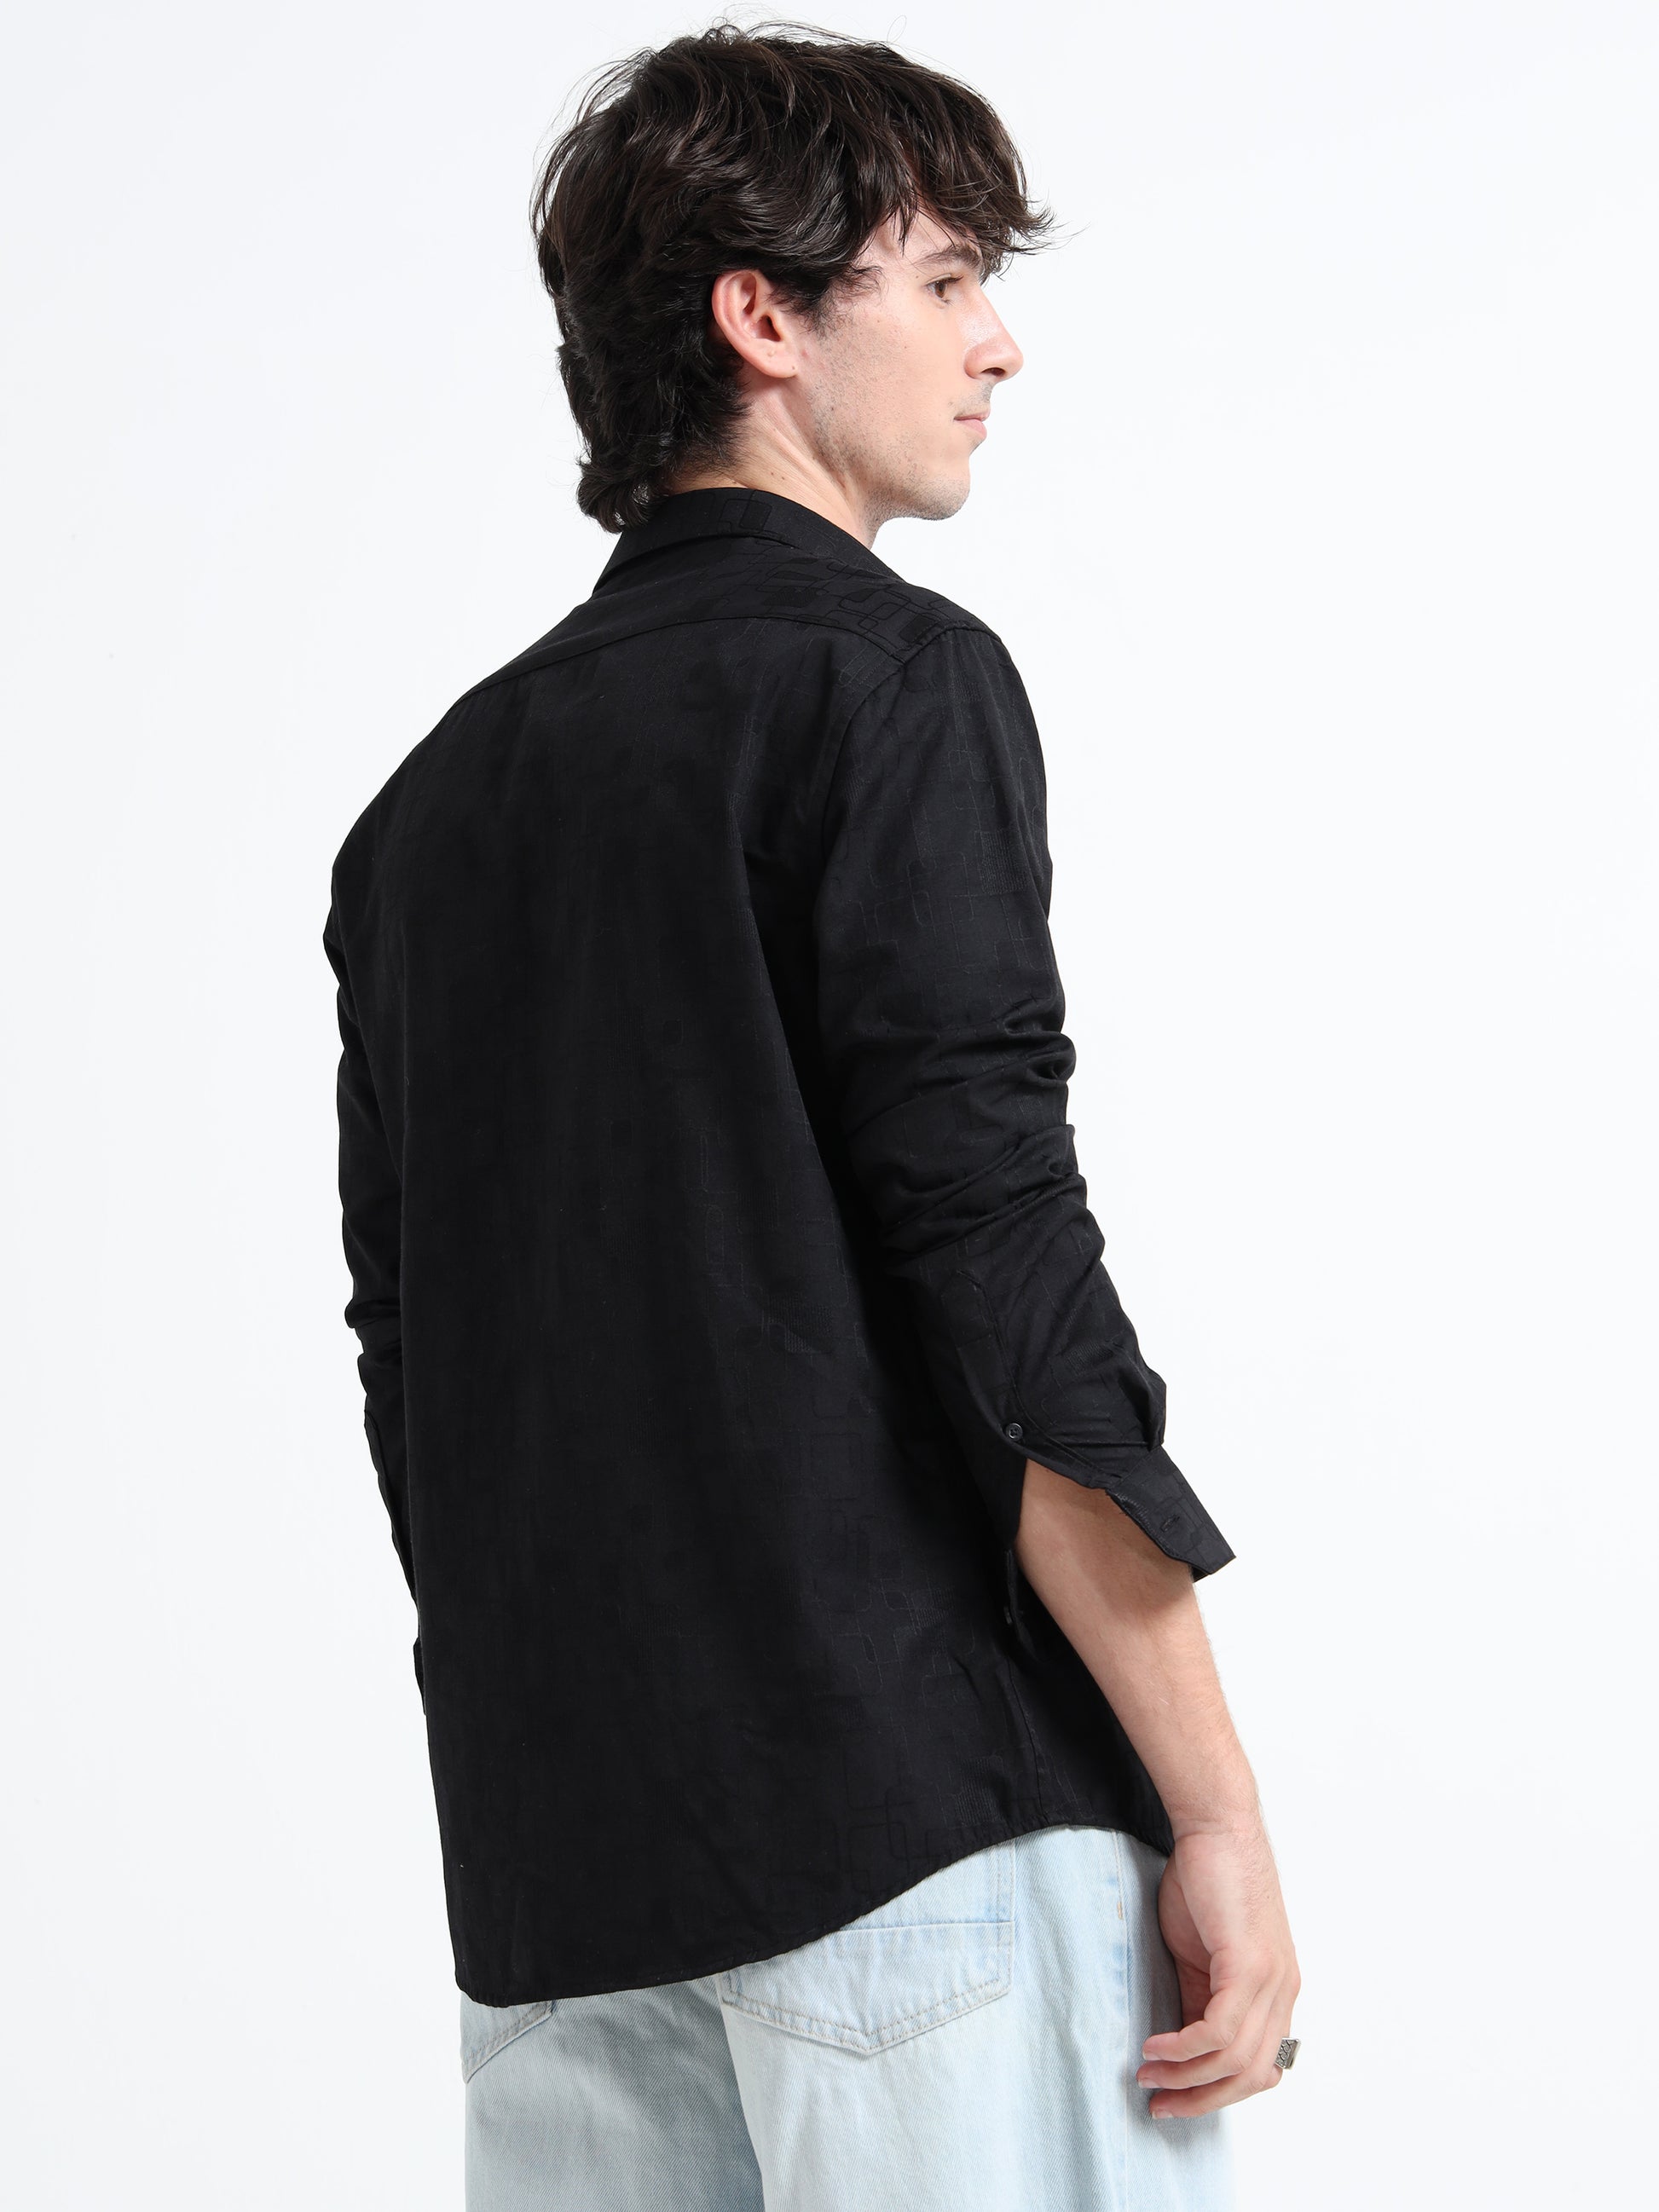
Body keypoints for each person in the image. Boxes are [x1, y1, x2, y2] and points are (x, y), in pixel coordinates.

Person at [323, 23, 1299, 2211]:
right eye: (942, 280)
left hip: (565, 1889)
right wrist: (1215, 1802)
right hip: (920, 1838)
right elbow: (1006, 1283)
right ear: (761, 319)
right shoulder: (886, 680)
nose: (995, 342)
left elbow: (421, 1380)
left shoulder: (426, 818)